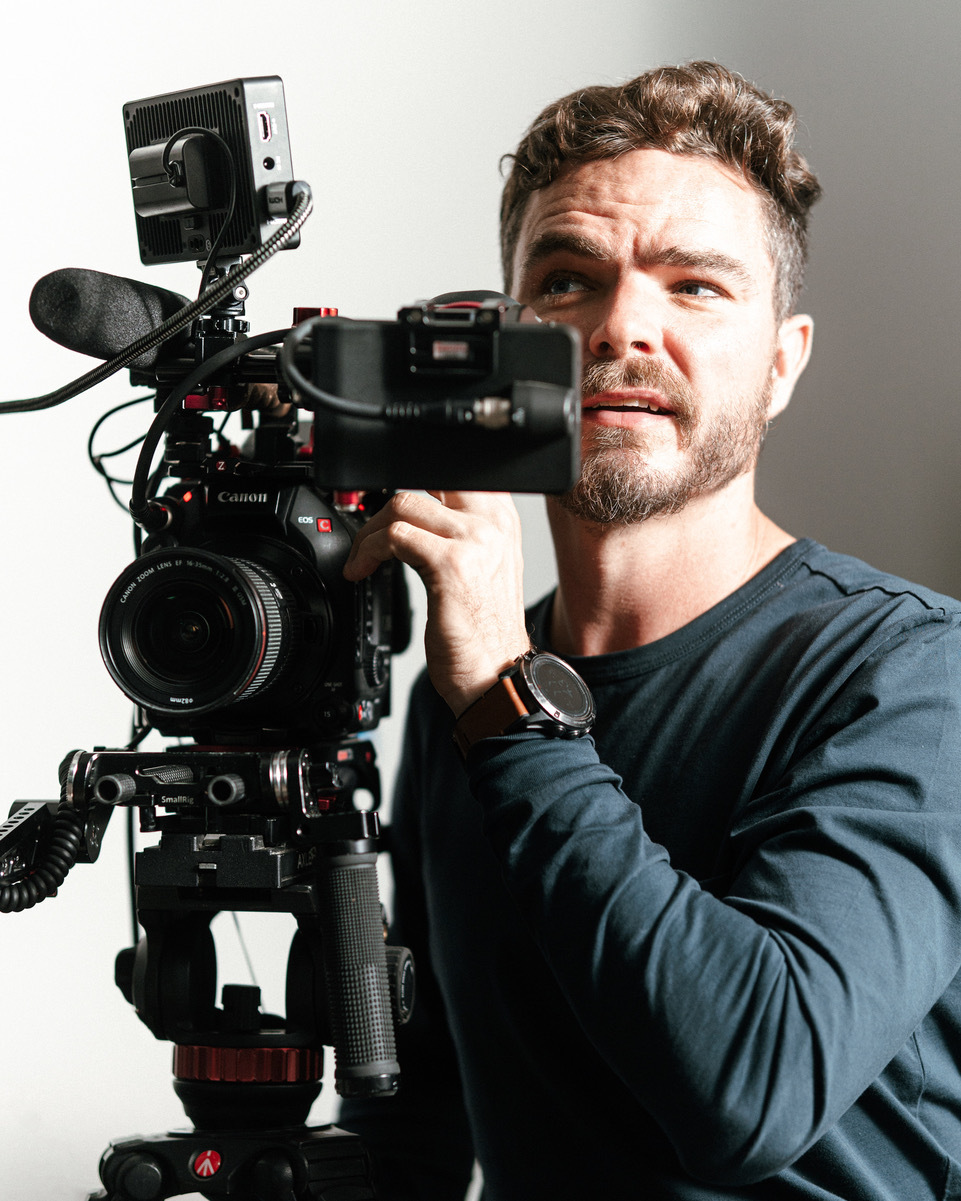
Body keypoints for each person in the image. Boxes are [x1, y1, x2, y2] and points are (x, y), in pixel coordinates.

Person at [338, 62, 961, 1199]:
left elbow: (751, 1086)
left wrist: (505, 705)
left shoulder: (912, 676)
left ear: (783, 363)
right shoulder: (465, 684)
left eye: (694, 286)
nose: (622, 326)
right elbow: (416, 1113)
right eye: (568, 281)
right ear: (512, 335)